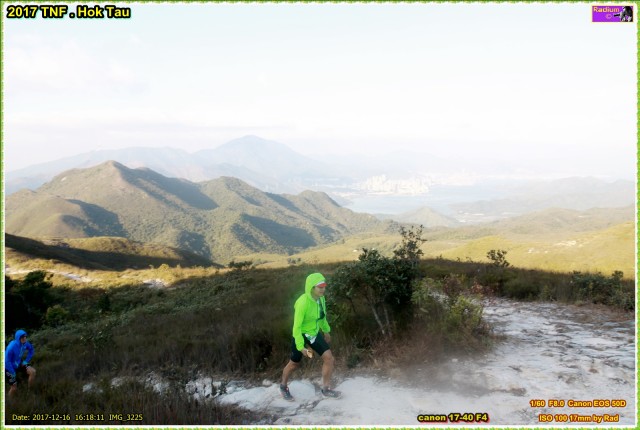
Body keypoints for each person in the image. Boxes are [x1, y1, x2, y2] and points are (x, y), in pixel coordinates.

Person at [280, 272, 341, 401]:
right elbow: (296, 327)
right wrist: (301, 347)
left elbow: (322, 317)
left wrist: (326, 330)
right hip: (301, 334)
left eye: (324, 287)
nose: (323, 290)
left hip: (313, 333)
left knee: (329, 358)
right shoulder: (302, 303)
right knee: (294, 364)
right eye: (320, 287)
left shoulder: (321, 299)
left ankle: (326, 389)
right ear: (311, 288)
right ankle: (283, 386)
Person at [5, 329, 36, 398]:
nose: (24, 338)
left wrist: (26, 361)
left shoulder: (25, 343)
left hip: (18, 362)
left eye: (25, 336)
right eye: (22, 337)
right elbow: (6, 361)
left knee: (33, 372)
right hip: (8, 366)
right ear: (18, 338)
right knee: (14, 388)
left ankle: (30, 392)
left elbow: (31, 350)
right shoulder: (11, 347)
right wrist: (12, 372)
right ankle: (8, 402)